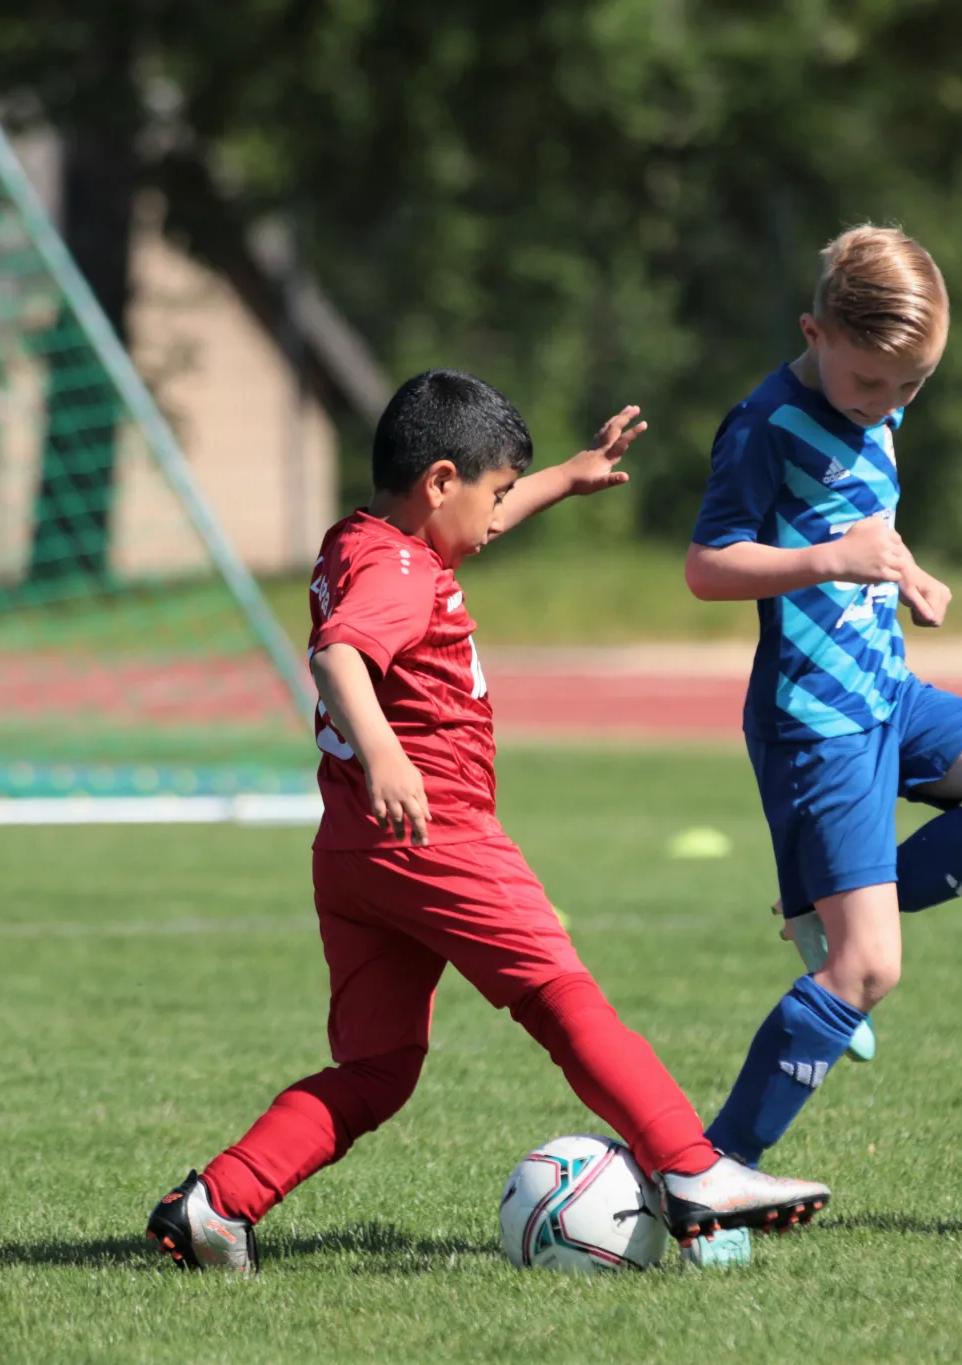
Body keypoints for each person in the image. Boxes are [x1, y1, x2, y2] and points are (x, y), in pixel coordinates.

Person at [146, 369, 831, 1274]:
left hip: (354, 849)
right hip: (437, 829)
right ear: (439, 482)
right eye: (497, 492)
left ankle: (219, 1201)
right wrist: (388, 753)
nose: (499, 514)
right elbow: (339, 655)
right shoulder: (400, 569)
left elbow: (462, 528)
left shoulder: (363, 540)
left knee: (378, 1070)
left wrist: (566, 477)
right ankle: (692, 1167)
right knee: (561, 996)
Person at [687, 226, 962, 1183]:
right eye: (872, 381)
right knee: (869, 969)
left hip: (889, 691)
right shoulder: (765, 424)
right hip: (815, 717)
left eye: (914, 383)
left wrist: (907, 574)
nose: (890, 402)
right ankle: (715, 1167)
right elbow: (708, 566)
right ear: (814, 333)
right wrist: (833, 561)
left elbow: (863, 523)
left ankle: (827, 905)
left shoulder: (877, 408)